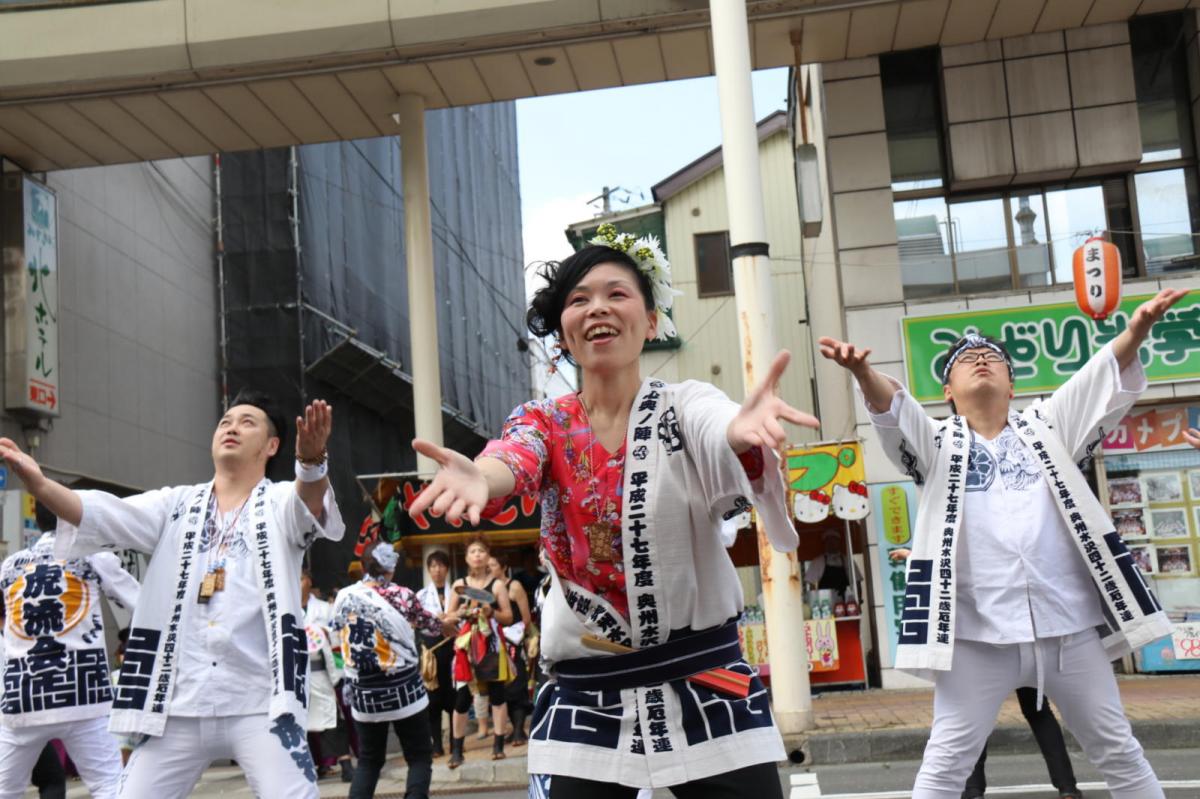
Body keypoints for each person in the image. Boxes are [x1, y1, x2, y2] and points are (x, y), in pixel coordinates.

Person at [409, 225, 817, 797]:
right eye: (579, 300)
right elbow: (514, 457)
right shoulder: (543, 423)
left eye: (616, 293)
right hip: (588, 699)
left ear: (651, 322)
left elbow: (716, 423)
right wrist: (484, 474)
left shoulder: (685, 404)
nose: (597, 308)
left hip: (706, 685)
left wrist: (738, 434)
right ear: (563, 337)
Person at [819, 285, 1188, 799]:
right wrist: (863, 373)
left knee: (1119, 751)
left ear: (1013, 386)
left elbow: (1095, 378)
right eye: (966, 359)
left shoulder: (1048, 427)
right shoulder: (937, 442)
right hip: (976, 635)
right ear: (947, 391)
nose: (981, 361)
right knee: (945, 764)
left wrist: (1135, 330)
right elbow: (894, 410)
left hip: (1068, 629)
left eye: (992, 357)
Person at [0, 390, 344, 799]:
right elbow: (100, 512)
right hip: (179, 703)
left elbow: (310, 501)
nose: (232, 427)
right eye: (225, 421)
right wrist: (40, 484)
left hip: (260, 701)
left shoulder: (280, 500)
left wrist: (310, 462)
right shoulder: (177, 504)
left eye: (247, 422)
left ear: (271, 446)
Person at [0, 511, 139, 799]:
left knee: (5, 790)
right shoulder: (93, 557)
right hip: (82, 695)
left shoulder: (11, 565)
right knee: (111, 787)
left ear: (37, 521)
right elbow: (142, 603)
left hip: (23, 696)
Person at [331, 540, 454, 799]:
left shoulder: (344, 596)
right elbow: (429, 624)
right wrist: (446, 625)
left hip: (364, 692)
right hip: (404, 689)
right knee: (420, 756)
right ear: (390, 568)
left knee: (368, 761)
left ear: (364, 565)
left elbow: (337, 631)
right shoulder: (402, 595)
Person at [444, 536, 514, 766]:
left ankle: (498, 746)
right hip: (466, 646)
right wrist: (461, 612)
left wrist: (491, 613)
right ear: (466, 558)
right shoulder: (459, 585)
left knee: (497, 695)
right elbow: (447, 617)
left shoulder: (497, 585)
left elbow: (508, 616)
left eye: (482, 551)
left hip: (492, 644)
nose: (477, 555)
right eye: (473, 551)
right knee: (462, 697)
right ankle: (456, 750)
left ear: (488, 556)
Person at [302, 569, 355, 783]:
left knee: (332, 717)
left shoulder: (325, 608)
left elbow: (338, 638)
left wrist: (323, 634)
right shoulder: (285, 609)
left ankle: (345, 762)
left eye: (300, 578)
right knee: (298, 722)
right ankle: (305, 767)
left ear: (308, 581)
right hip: (297, 675)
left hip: (321, 670)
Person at [488, 551, 533, 746]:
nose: (489, 569)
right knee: (501, 689)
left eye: (493, 565)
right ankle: (510, 729)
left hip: (513, 640)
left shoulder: (514, 586)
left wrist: (518, 634)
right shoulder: (486, 589)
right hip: (494, 643)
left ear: (503, 567)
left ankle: (518, 729)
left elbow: (526, 617)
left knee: (517, 685)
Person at [415, 550, 455, 758]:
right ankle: (437, 744)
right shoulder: (420, 596)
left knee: (455, 696)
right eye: (433, 566)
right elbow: (415, 622)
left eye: (441, 566)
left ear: (447, 569)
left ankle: (456, 743)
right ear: (428, 570)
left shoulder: (457, 592)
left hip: (453, 647)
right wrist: (435, 620)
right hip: (432, 650)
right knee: (433, 699)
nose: (437, 570)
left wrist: (450, 618)